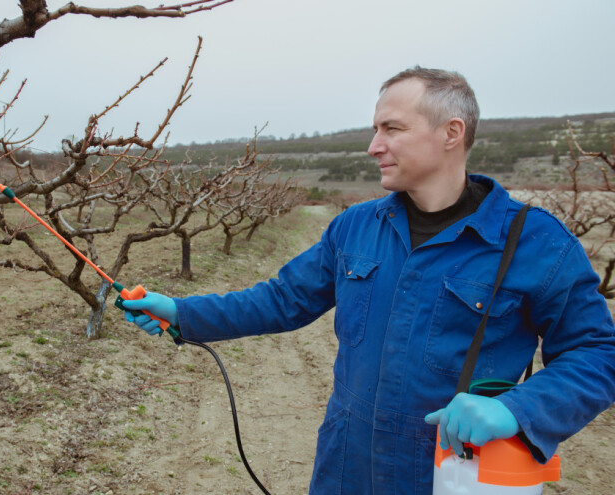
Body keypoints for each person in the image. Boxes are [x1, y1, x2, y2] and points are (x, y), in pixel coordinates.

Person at [121, 66, 615, 494]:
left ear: (451, 132)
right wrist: (183, 313)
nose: (373, 145)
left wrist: (520, 409)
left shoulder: (536, 243)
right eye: (375, 129)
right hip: (346, 467)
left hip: (453, 473)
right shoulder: (355, 226)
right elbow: (282, 299)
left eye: (391, 128)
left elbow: (597, 352)